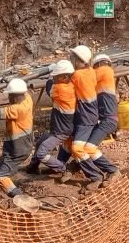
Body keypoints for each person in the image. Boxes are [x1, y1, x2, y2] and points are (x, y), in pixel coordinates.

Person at [67, 45, 113, 191]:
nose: (71, 60)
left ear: (79, 60)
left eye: (73, 58)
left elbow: (65, 87)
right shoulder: (91, 72)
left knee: (78, 148)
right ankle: (71, 167)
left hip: (88, 117)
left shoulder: (78, 75)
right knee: (72, 142)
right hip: (91, 115)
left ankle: (96, 175)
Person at [0, 78, 34, 198]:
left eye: (10, 95)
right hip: (23, 145)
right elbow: (26, 90)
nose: (9, 98)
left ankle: (17, 195)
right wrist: (9, 82)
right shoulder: (28, 99)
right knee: (1, 163)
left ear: (15, 97)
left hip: (17, 148)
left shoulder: (17, 109)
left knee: (1, 176)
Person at [24, 60, 75, 178]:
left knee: (41, 153)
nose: (55, 78)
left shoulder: (60, 89)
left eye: (56, 76)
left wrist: (49, 74)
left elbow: (49, 86)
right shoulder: (71, 85)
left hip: (61, 131)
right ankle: (32, 167)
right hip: (58, 128)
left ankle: (63, 168)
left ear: (65, 77)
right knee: (40, 142)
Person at [88, 54, 120, 182]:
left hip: (108, 121)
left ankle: (112, 170)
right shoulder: (102, 81)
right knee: (83, 143)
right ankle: (80, 164)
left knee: (89, 147)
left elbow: (87, 79)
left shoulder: (106, 71)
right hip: (105, 120)